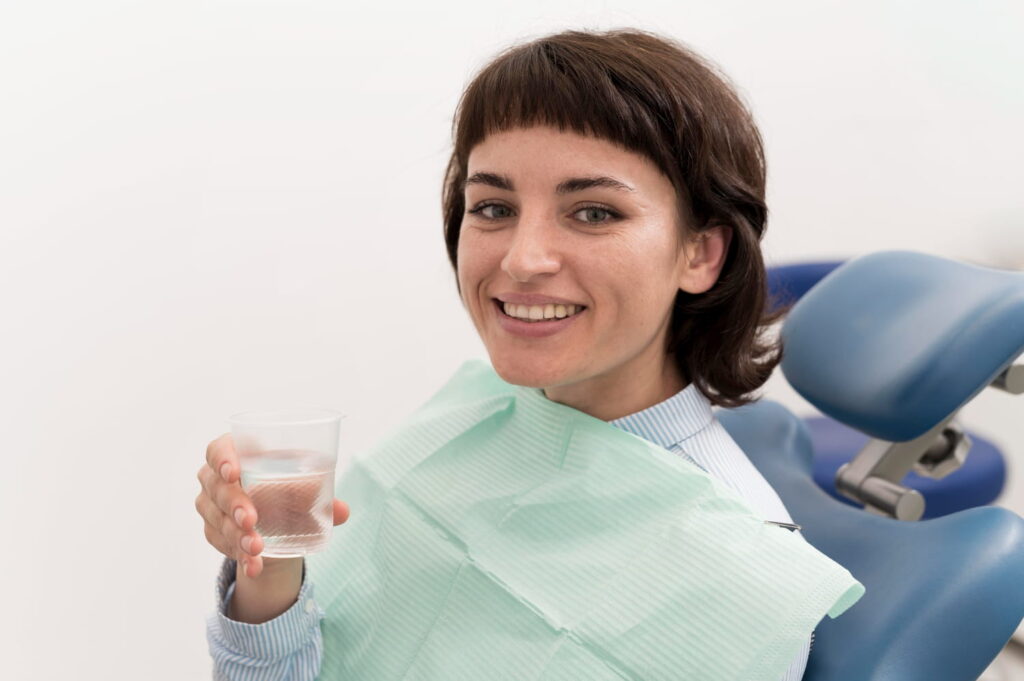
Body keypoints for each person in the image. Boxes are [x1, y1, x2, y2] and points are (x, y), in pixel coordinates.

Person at [197, 27, 822, 680]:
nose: (523, 260)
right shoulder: (477, 413)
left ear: (700, 253)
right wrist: (268, 570)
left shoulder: (744, 580)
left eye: (594, 213)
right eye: (493, 206)